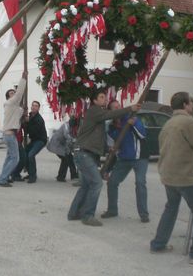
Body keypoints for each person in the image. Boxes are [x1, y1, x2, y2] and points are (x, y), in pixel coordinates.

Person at [150, 92, 193, 265]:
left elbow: (177, 148)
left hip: (168, 174)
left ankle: (158, 244)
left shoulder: (169, 123)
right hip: (184, 176)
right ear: (186, 104)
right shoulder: (188, 121)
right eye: (191, 103)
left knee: (171, 208)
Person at [67, 89, 140, 227]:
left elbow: (97, 137)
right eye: (101, 97)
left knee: (87, 185)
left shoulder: (97, 116)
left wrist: (107, 149)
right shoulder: (95, 110)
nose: (104, 99)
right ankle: (87, 215)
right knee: (97, 183)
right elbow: (111, 114)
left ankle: (74, 213)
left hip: (86, 153)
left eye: (105, 97)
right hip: (84, 153)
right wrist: (130, 108)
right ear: (94, 100)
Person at [101, 100, 149, 223]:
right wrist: (108, 169)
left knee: (140, 183)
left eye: (119, 106)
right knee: (112, 183)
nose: (118, 108)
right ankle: (112, 210)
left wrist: (133, 124)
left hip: (140, 158)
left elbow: (143, 135)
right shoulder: (111, 127)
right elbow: (114, 148)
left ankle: (144, 214)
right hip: (123, 159)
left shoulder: (132, 117)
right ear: (111, 111)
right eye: (115, 107)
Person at [0, 71, 27, 187]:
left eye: (13, 92)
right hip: (9, 134)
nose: (13, 93)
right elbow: (20, 93)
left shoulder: (14, 106)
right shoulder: (11, 102)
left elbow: (18, 115)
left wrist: (23, 111)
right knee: (15, 158)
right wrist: (23, 79)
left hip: (10, 134)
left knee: (9, 157)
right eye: (11, 92)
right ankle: (2, 179)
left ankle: (4, 176)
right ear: (9, 96)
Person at [22, 100, 48, 183]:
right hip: (34, 140)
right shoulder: (29, 115)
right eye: (33, 105)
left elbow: (33, 131)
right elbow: (26, 128)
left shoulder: (39, 119)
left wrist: (28, 122)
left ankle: (33, 177)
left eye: (36, 106)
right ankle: (30, 173)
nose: (34, 107)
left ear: (38, 108)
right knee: (24, 154)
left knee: (30, 155)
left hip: (41, 140)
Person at [46, 117, 78, 182]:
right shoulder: (66, 126)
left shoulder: (69, 126)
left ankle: (73, 175)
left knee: (69, 158)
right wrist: (74, 140)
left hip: (60, 145)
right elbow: (67, 136)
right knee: (65, 159)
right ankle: (61, 176)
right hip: (56, 145)